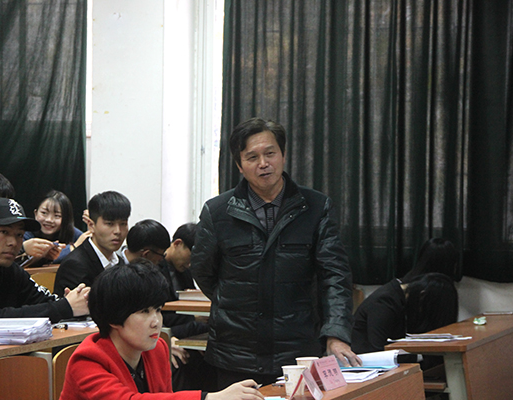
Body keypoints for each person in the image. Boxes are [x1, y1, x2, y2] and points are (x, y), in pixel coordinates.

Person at [191, 117, 359, 389]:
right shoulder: (218, 211)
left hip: (298, 352)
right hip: (235, 354)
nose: (263, 163)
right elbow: (203, 272)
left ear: (283, 155)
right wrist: (237, 302)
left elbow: (335, 276)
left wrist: (336, 335)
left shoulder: (316, 207)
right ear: (239, 165)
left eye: (270, 153)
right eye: (252, 157)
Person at [60, 260, 264, 400]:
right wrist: (210, 398)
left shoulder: (157, 349)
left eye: (158, 310)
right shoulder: (87, 362)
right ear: (114, 317)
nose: (156, 322)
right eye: (144, 312)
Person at [159, 223, 215, 391]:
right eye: (191, 257)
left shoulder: (184, 271)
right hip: (165, 327)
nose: (191, 264)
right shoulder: (157, 267)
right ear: (178, 244)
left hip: (180, 326)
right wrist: (194, 317)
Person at [351, 273, 458, 354]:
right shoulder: (383, 304)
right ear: (422, 296)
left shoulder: (402, 298)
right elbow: (379, 352)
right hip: (367, 363)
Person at [54, 191, 130, 296]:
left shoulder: (119, 262)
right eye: (109, 224)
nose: (118, 231)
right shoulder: (74, 266)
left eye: (123, 224)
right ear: (91, 225)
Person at [21, 190, 91, 267]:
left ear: (65, 219)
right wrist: (73, 247)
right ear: (35, 213)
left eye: (57, 216)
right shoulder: (24, 233)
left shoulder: (74, 234)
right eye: (44, 213)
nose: (49, 220)